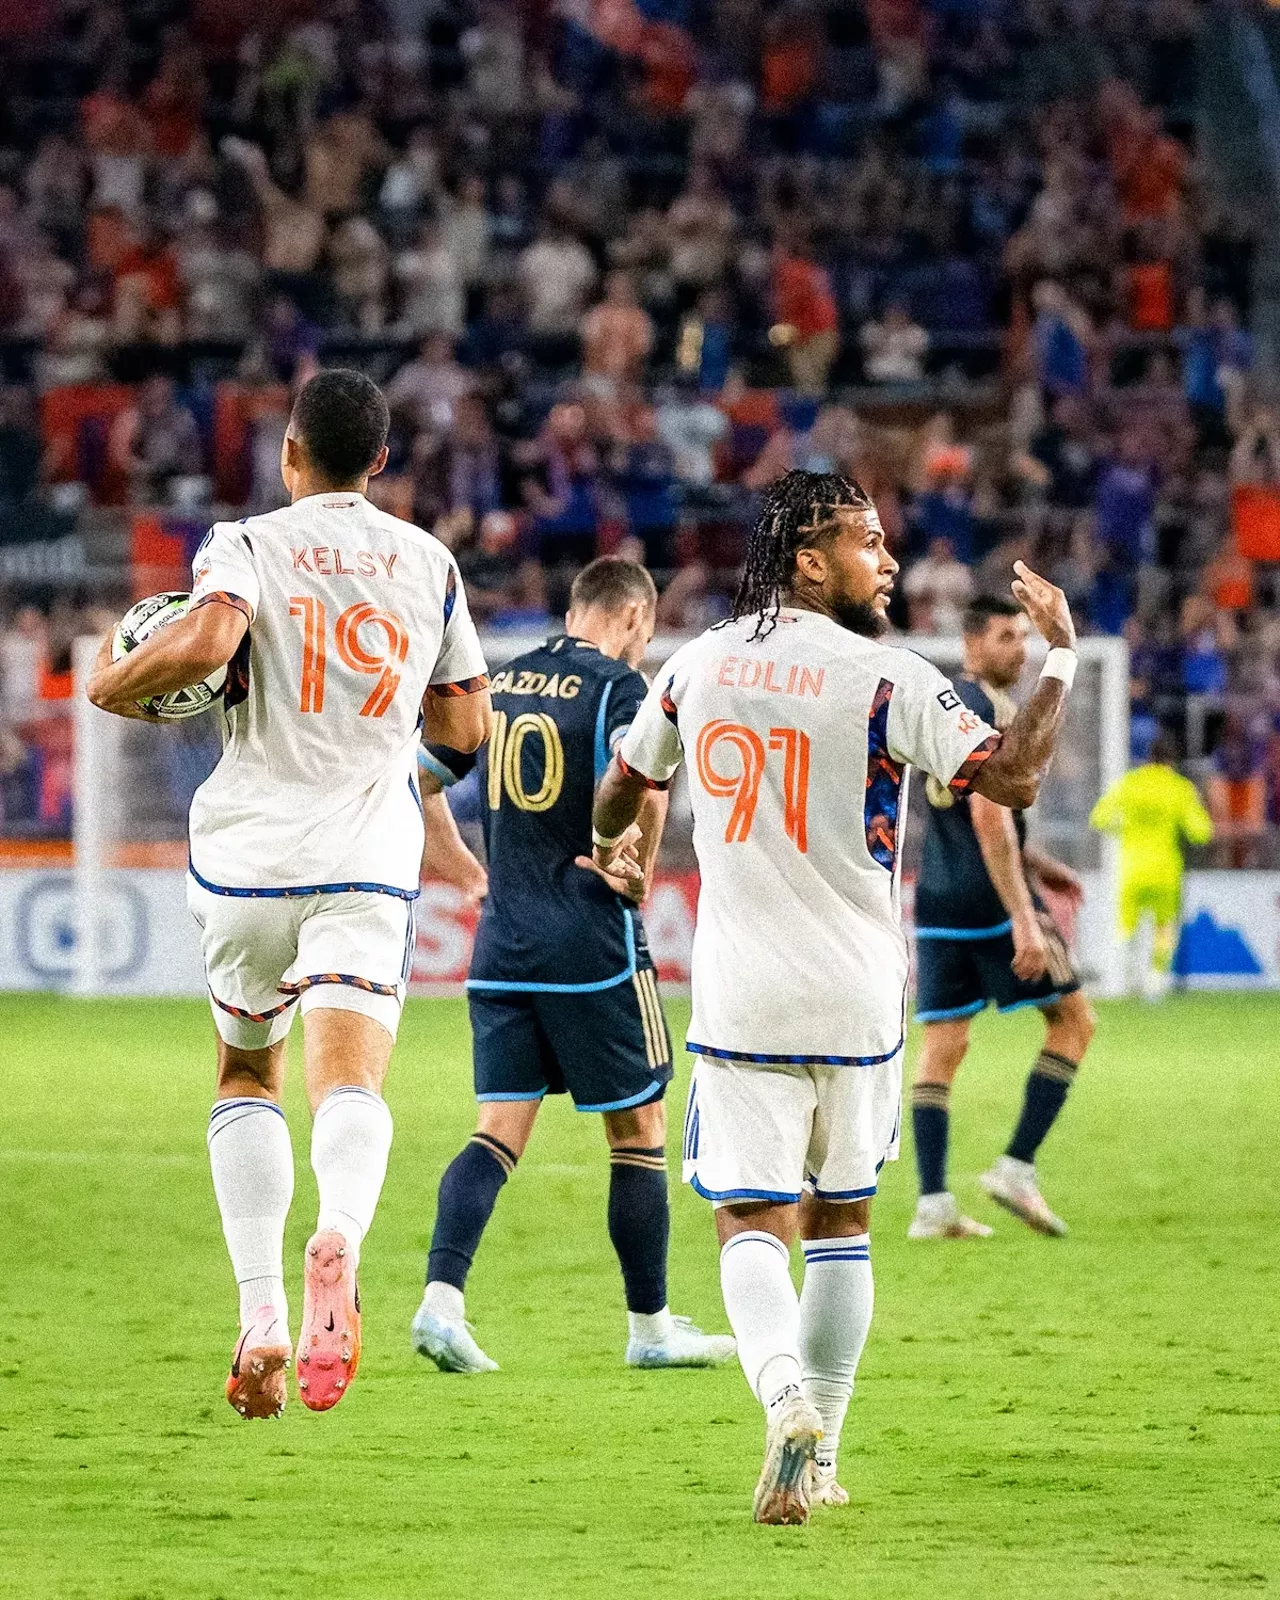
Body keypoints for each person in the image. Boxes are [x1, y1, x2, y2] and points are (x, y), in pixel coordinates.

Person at [590, 470, 1078, 1524]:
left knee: (746, 1217)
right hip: (857, 989)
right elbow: (1013, 776)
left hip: (742, 989)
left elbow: (627, 779)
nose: (887, 558)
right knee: (842, 1219)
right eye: (867, 540)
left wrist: (611, 846)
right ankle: (822, 1451)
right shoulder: (887, 675)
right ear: (809, 559)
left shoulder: (696, 663)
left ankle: (782, 1407)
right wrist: (1061, 657)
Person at [86, 370, 492, 1421]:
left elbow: (214, 641)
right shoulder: (428, 560)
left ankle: (262, 1308)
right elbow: (463, 733)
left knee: (246, 1068)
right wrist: (395, 772)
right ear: (383, 461)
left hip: (249, 856)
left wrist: (109, 685)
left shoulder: (246, 543)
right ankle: (342, 1240)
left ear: (289, 455)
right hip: (364, 853)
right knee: (351, 1076)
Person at [411, 557, 735, 1375]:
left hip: (503, 943)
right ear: (632, 617)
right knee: (638, 1131)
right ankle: (651, 1329)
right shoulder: (620, 687)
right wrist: (636, 872)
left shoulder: (503, 682)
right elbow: (646, 783)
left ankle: (440, 1305)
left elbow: (414, 781)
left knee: (496, 1133)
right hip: (591, 947)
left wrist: (463, 871)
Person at [908, 596, 1096, 1243]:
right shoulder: (990, 708)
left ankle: (933, 1205)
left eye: (1024, 637)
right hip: (991, 902)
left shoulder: (940, 704)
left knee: (942, 1047)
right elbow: (990, 815)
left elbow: (969, 815)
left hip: (936, 900)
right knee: (1073, 1022)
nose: (1020, 649)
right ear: (971, 644)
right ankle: (1016, 1167)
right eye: (1007, 637)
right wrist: (1024, 913)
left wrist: (1037, 862)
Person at [1090, 731, 1213, 999]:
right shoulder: (1180, 787)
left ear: (1149, 757)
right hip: (1166, 868)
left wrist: (1126, 828)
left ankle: (1120, 979)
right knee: (1164, 925)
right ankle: (1155, 982)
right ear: (1173, 761)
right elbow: (1200, 832)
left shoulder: (1131, 782)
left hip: (1132, 866)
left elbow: (1099, 818)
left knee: (1126, 925)